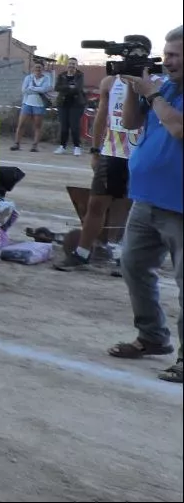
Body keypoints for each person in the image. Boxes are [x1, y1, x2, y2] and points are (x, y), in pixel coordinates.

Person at [106, 25, 182, 384]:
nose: (167, 61)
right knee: (134, 266)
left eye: (175, 55)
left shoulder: (161, 93)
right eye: (166, 54)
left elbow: (178, 128)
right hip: (147, 197)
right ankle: (153, 337)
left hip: (179, 204)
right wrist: (133, 87)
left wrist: (151, 93)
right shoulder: (163, 88)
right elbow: (129, 123)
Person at [54, 39, 155, 272]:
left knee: (132, 208)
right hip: (112, 152)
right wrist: (95, 150)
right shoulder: (110, 81)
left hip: (141, 154)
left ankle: (125, 258)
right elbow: (101, 116)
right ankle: (82, 253)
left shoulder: (157, 82)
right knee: (96, 203)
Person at [11, 60, 52, 151]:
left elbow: (45, 89)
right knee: (21, 124)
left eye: (40, 67)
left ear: (43, 69)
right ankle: (17, 143)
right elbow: (24, 90)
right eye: (36, 67)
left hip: (39, 105)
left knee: (37, 125)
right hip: (27, 103)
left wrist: (32, 88)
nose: (38, 69)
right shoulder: (28, 78)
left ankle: (35, 145)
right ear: (33, 68)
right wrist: (38, 89)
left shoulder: (46, 79)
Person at [54, 57, 86, 156]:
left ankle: (77, 147)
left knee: (74, 126)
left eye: (73, 64)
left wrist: (66, 88)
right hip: (62, 104)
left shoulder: (80, 75)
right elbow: (57, 87)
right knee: (64, 126)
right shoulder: (61, 75)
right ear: (66, 65)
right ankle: (62, 146)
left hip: (76, 104)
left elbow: (78, 88)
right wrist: (69, 87)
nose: (71, 65)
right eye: (70, 63)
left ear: (76, 66)